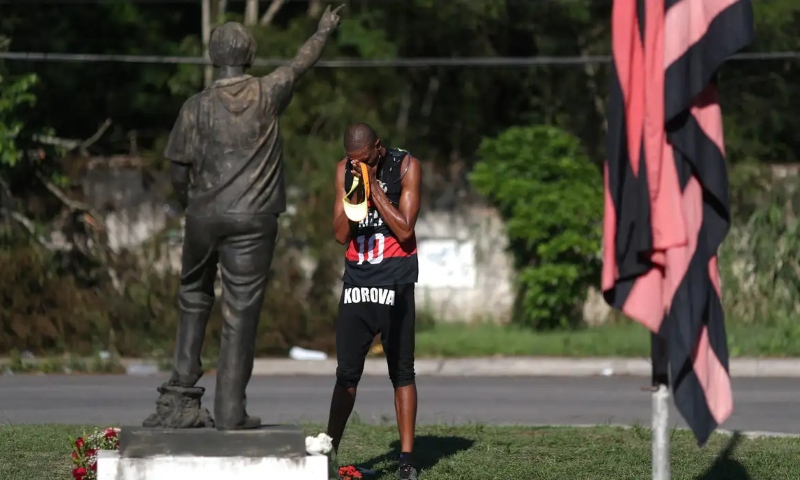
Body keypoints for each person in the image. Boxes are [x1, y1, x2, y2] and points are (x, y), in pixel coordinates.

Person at [143, 7, 345, 431]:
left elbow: (178, 169)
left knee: (193, 296)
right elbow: (301, 62)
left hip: (203, 215)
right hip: (254, 220)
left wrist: (192, 204)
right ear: (250, 55)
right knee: (240, 312)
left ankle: (180, 393)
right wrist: (323, 29)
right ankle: (231, 410)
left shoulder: (195, 107)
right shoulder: (268, 92)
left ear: (213, 57)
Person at [326, 123, 422, 480]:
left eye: (363, 160)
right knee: (346, 375)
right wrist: (356, 192)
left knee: (402, 373)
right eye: (353, 161)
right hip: (358, 284)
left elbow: (404, 228)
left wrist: (376, 191)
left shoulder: (407, 166)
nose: (357, 166)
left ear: (378, 149)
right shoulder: (344, 170)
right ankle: (328, 453)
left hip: (396, 284)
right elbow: (339, 234)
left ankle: (407, 460)